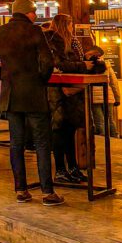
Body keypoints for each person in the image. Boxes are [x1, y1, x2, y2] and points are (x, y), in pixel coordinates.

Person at [0, 0, 62, 206]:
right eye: (34, 12)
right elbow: (48, 62)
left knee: (16, 144)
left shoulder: (0, 32)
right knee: (41, 143)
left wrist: (3, 75)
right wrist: (41, 80)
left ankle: (21, 189)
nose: (36, 16)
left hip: (11, 96)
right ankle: (47, 192)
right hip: (34, 94)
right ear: (27, 13)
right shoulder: (35, 31)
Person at [46, 13, 100, 185]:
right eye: (70, 24)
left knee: (68, 130)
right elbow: (58, 64)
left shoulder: (69, 41)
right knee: (60, 130)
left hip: (69, 90)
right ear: (65, 25)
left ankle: (72, 167)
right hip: (59, 91)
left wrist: (85, 61)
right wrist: (83, 65)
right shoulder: (55, 40)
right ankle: (62, 169)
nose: (72, 28)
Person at [84, 44, 121, 137]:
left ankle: (102, 141)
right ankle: (115, 139)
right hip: (108, 95)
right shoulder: (107, 65)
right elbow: (114, 83)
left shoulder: (87, 65)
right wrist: (117, 98)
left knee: (99, 121)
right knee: (110, 119)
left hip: (94, 97)